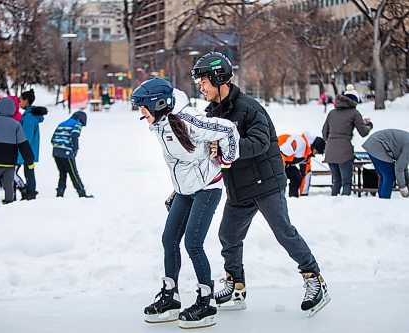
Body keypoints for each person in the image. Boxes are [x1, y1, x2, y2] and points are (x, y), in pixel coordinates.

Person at [191, 51, 329, 316]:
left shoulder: (249, 108)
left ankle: (314, 279)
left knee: (284, 232)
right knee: (228, 235)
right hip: (240, 187)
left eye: (204, 81)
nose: (201, 87)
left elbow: (260, 142)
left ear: (219, 79)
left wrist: (224, 145)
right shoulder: (212, 113)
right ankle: (235, 285)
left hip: (266, 183)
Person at [132, 78, 239, 329]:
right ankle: (171, 297)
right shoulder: (159, 122)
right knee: (169, 239)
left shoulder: (188, 119)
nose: (140, 113)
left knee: (193, 242)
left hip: (207, 188)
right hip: (184, 190)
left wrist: (227, 158)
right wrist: (176, 190)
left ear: (159, 104)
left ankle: (206, 301)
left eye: (143, 107)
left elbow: (226, 129)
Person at [0, 97, 35, 206]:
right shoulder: (16, 125)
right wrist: (30, 161)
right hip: (9, 162)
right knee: (8, 184)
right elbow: (23, 145)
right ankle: (9, 203)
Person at [322, 84, 373, 196]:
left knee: (336, 182)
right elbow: (363, 132)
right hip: (345, 151)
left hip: (330, 151)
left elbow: (324, 133)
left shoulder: (331, 113)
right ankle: (345, 206)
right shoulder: (354, 113)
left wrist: (332, 140)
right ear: (354, 101)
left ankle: (332, 204)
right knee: (346, 182)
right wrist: (368, 125)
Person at [51, 111, 93, 198]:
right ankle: (81, 193)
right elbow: (75, 135)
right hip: (66, 152)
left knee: (62, 172)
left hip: (56, 152)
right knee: (73, 173)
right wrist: (75, 149)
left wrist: (58, 146)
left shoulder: (62, 123)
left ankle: (60, 193)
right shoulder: (77, 124)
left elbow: (52, 139)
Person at [17, 89, 47, 200]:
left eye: (20, 100)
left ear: (27, 101)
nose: (19, 102)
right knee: (28, 171)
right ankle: (30, 191)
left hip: (26, 150)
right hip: (29, 150)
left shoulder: (29, 117)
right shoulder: (29, 115)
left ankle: (29, 191)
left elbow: (26, 136)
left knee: (22, 172)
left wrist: (20, 150)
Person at [362, 129, 409, 199]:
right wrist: (403, 188)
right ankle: (384, 201)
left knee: (384, 176)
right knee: (389, 176)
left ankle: (382, 201)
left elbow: (403, 166)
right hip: (378, 144)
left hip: (373, 143)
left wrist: (407, 182)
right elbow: (399, 168)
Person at [278, 132, 326, 197]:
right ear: (314, 147)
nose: (315, 154)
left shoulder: (306, 155)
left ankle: (293, 198)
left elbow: (306, 173)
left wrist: (304, 195)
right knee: (279, 181)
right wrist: (280, 175)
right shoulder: (300, 143)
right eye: (317, 152)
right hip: (274, 156)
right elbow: (281, 154)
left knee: (297, 177)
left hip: (285, 162)